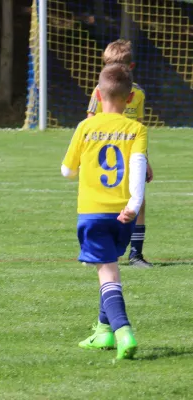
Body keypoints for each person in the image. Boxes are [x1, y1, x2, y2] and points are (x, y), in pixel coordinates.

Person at [62, 63, 148, 359]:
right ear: (129, 99)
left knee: (108, 273)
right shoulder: (136, 128)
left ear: (97, 95)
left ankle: (124, 332)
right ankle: (103, 332)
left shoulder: (85, 127)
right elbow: (138, 171)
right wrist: (133, 207)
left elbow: (66, 170)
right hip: (124, 214)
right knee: (108, 264)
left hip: (93, 213)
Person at [87, 39, 154, 268]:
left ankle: (136, 254)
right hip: (106, 155)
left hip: (131, 155)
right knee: (103, 200)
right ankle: (99, 248)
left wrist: (146, 160)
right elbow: (90, 122)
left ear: (130, 68)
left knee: (139, 201)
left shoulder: (139, 95)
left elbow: (140, 128)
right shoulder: (99, 91)